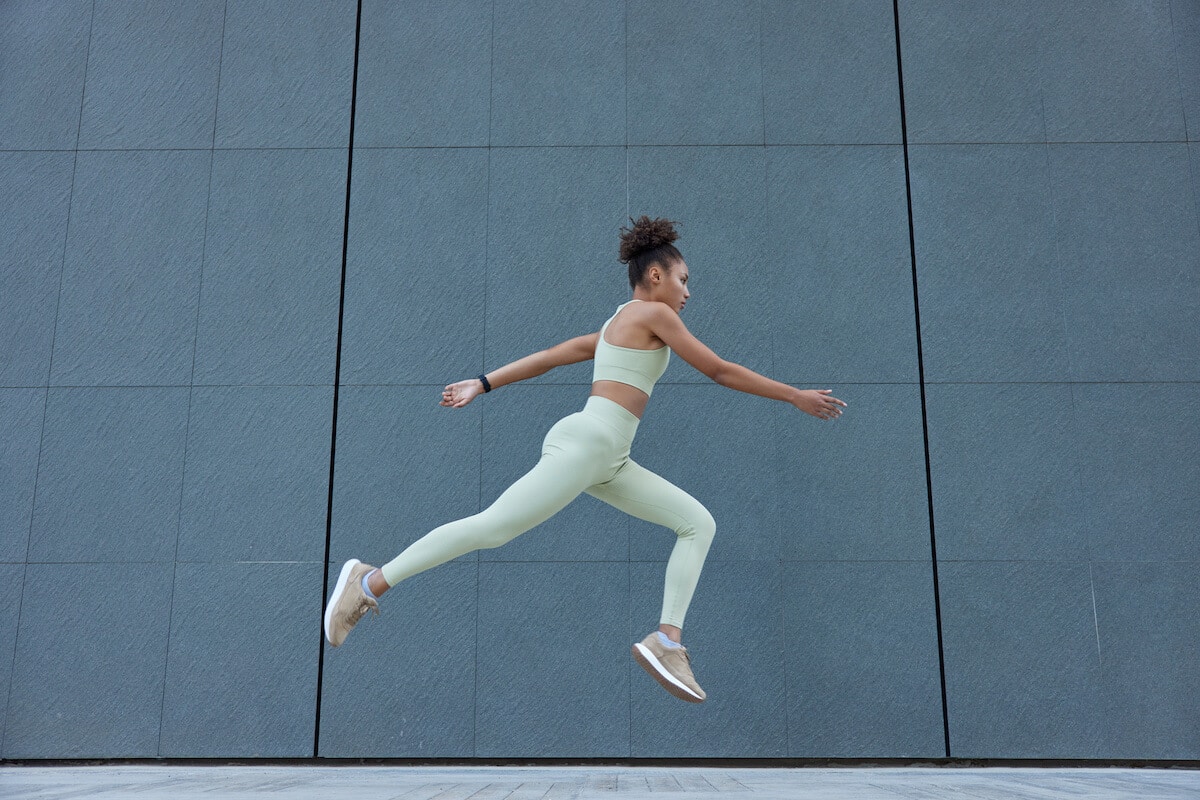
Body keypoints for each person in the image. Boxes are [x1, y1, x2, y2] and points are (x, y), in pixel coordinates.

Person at [324, 216, 846, 703]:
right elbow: (720, 370)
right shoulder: (654, 313)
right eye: (684, 280)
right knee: (493, 528)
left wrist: (482, 383)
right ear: (657, 274)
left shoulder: (620, 323)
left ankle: (667, 640)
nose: (688, 293)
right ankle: (367, 582)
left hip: (608, 458)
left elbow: (555, 355)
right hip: (591, 443)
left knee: (697, 524)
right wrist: (793, 395)